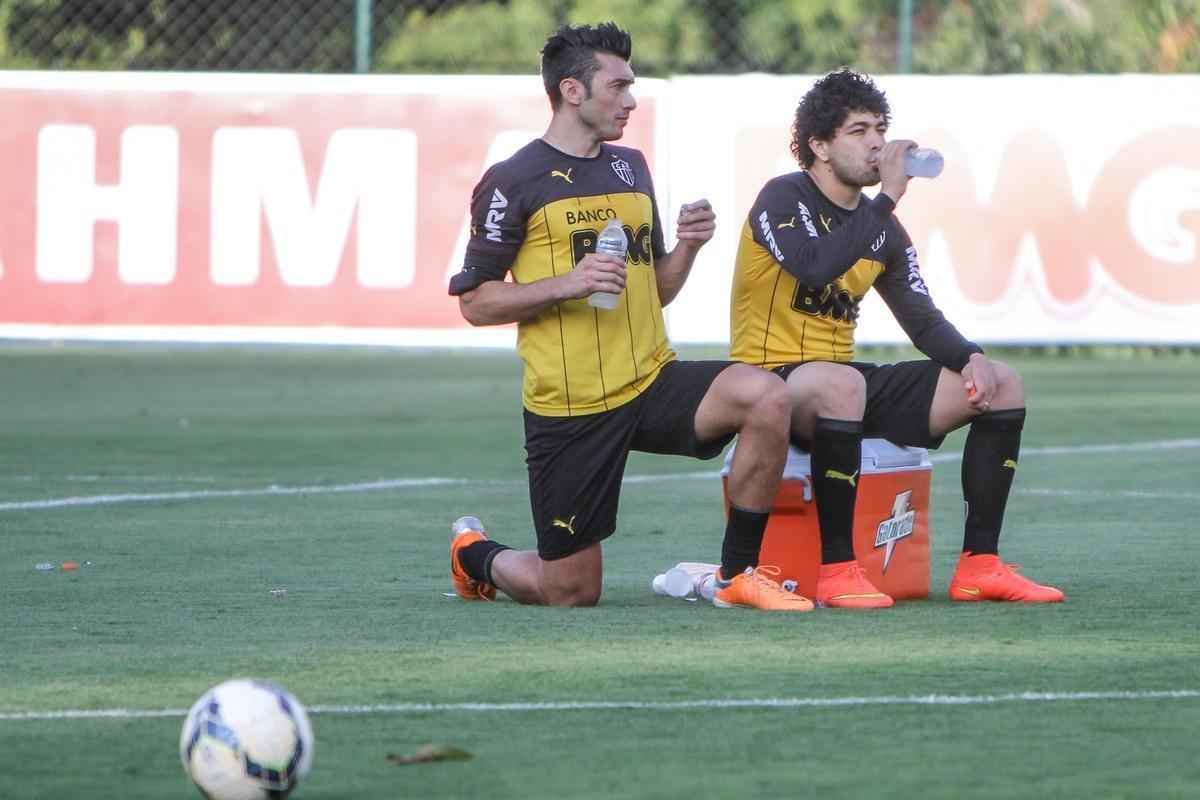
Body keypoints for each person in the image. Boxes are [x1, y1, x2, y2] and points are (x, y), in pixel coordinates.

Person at [446, 22, 809, 610]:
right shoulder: (511, 181)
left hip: (651, 378)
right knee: (570, 592)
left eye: (631, 85)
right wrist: (569, 282)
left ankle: (737, 575)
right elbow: (475, 302)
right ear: (572, 91)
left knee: (766, 396)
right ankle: (474, 554)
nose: (631, 99)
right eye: (617, 86)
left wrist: (687, 247)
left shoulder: (631, 167)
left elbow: (653, 289)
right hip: (573, 405)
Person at [729, 68, 1064, 608]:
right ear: (818, 145)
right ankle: (837, 570)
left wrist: (970, 356)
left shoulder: (879, 224)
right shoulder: (783, 197)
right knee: (843, 385)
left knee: (1002, 384)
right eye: (859, 130)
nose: (878, 143)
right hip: (769, 380)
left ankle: (980, 565)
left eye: (881, 129)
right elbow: (815, 267)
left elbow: (921, 318)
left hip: (841, 386)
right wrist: (886, 198)